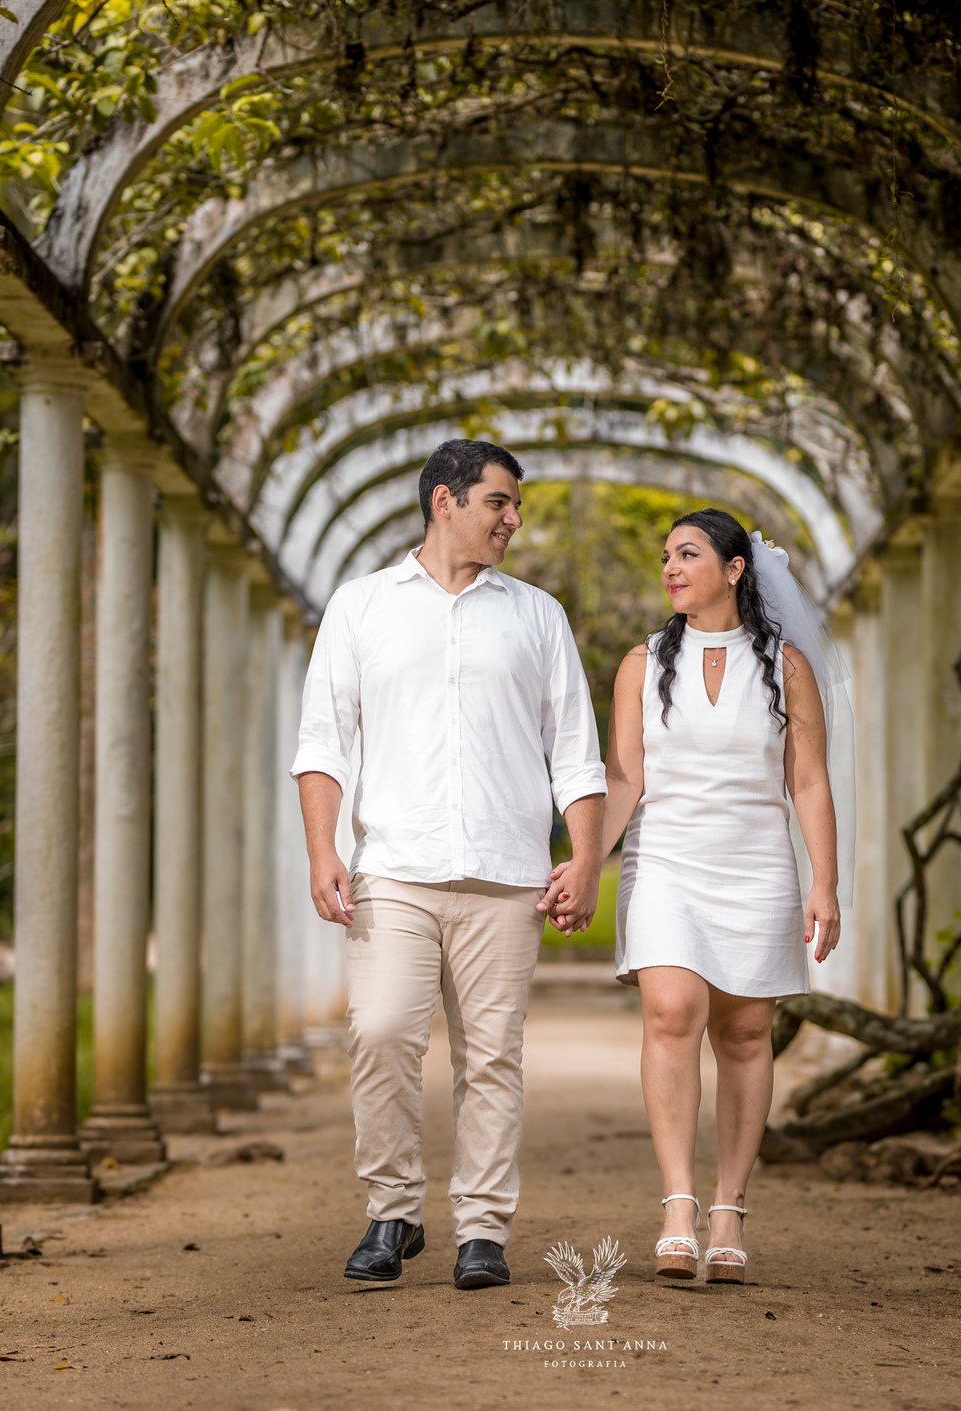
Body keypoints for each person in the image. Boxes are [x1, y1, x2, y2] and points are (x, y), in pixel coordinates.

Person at [293, 438, 605, 1290]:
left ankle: (482, 1230)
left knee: (493, 1055)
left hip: (507, 873)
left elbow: (575, 751)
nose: (513, 518)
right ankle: (392, 1210)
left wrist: (583, 857)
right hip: (393, 866)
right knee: (383, 1029)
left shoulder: (538, 615)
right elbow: (324, 740)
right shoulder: (360, 608)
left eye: (514, 504)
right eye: (498, 501)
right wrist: (324, 846)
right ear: (445, 501)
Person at [546, 508, 852, 1285]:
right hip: (668, 861)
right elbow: (624, 779)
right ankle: (677, 1203)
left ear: (736, 567)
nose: (671, 567)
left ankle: (729, 1208)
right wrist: (585, 860)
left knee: (747, 1034)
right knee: (672, 1011)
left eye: (688, 554)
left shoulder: (788, 667)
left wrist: (825, 879)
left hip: (757, 863)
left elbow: (808, 780)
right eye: (665, 555)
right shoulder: (640, 664)